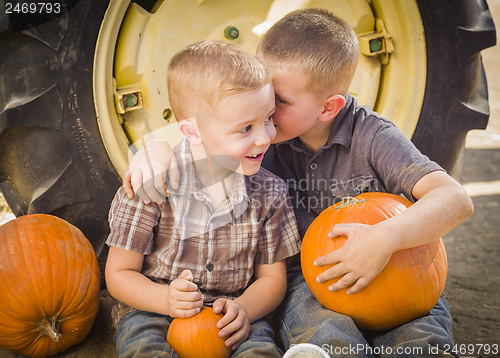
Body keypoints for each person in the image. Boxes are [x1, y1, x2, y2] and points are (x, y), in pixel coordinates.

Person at [122, 9, 474, 357]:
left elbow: (455, 199)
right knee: (325, 337)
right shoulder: (265, 136)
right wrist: (155, 146)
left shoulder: (372, 136)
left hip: (396, 267)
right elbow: (213, 122)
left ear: (328, 108)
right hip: (312, 278)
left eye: (279, 101)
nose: (265, 109)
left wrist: (385, 237)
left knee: (421, 341)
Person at [105, 39, 301, 358]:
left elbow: (272, 278)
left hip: (234, 311)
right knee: (144, 350)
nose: (265, 137)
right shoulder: (153, 183)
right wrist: (165, 298)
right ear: (193, 132)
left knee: (260, 351)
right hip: (153, 310)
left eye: (268, 118)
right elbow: (118, 275)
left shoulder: (271, 193)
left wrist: (245, 309)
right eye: (245, 128)